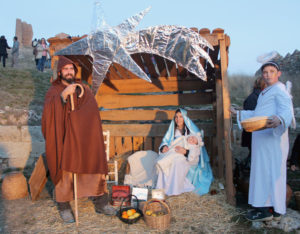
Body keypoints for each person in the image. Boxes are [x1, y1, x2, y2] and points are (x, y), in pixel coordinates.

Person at [42, 56, 115, 223]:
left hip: (83, 139)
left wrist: (79, 95)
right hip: (65, 140)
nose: (69, 72)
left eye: (71, 69)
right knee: (64, 170)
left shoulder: (84, 88)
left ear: (75, 72)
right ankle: (64, 207)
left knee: (93, 165)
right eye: (65, 69)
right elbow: (48, 115)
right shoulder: (53, 91)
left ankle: (101, 203)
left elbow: (91, 113)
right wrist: (62, 97)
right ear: (60, 72)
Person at [231, 61, 294, 222]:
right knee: (263, 172)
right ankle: (270, 207)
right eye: (265, 72)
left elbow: (287, 110)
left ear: (278, 73)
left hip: (272, 142)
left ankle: (268, 208)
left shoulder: (280, 90)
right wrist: (239, 114)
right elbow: (259, 113)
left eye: (272, 71)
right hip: (262, 140)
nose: (268, 74)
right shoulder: (267, 91)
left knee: (270, 172)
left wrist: (280, 119)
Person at [156, 108, 213, 196]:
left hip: (186, 156)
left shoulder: (192, 131)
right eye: (176, 117)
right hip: (172, 151)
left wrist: (185, 152)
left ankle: (174, 190)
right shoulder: (172, 131)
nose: (178, 119)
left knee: (177, 162)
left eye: (180, 117)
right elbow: (165, 141)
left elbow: (196, 147)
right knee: (164, 159)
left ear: (185, 118)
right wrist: (164, 147)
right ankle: (162, 188)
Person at [241, 77, 266, 168]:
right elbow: (252, 117)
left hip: (255, 133)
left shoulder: (259, 96)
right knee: (254, 155)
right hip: (253, 133)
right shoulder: (255, 98)